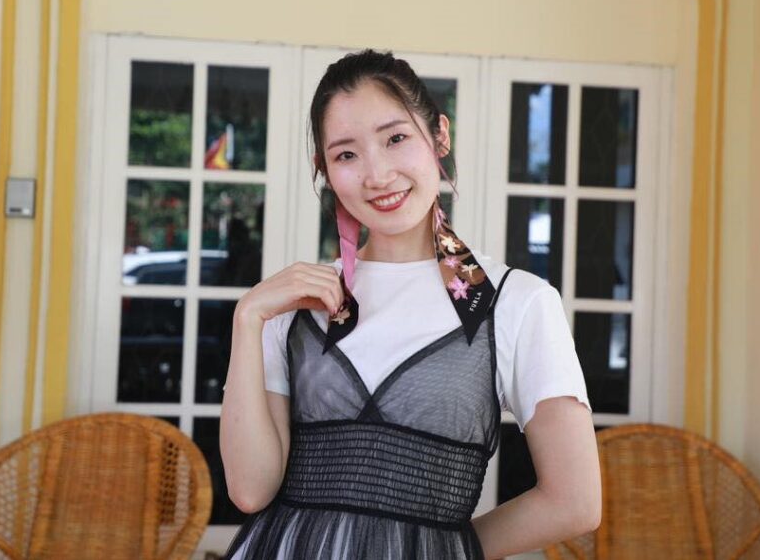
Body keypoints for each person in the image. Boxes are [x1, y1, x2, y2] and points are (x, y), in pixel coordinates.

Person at [219, 49, 601, 559]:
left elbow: (574, 502)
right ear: (324, 169)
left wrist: (438, 549)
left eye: (395, 138)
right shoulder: (292, 304)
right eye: (346, 155)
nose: (377, 175)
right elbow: (250, 490)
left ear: (440, 136)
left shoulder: (515, 303)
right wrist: (247, 319)